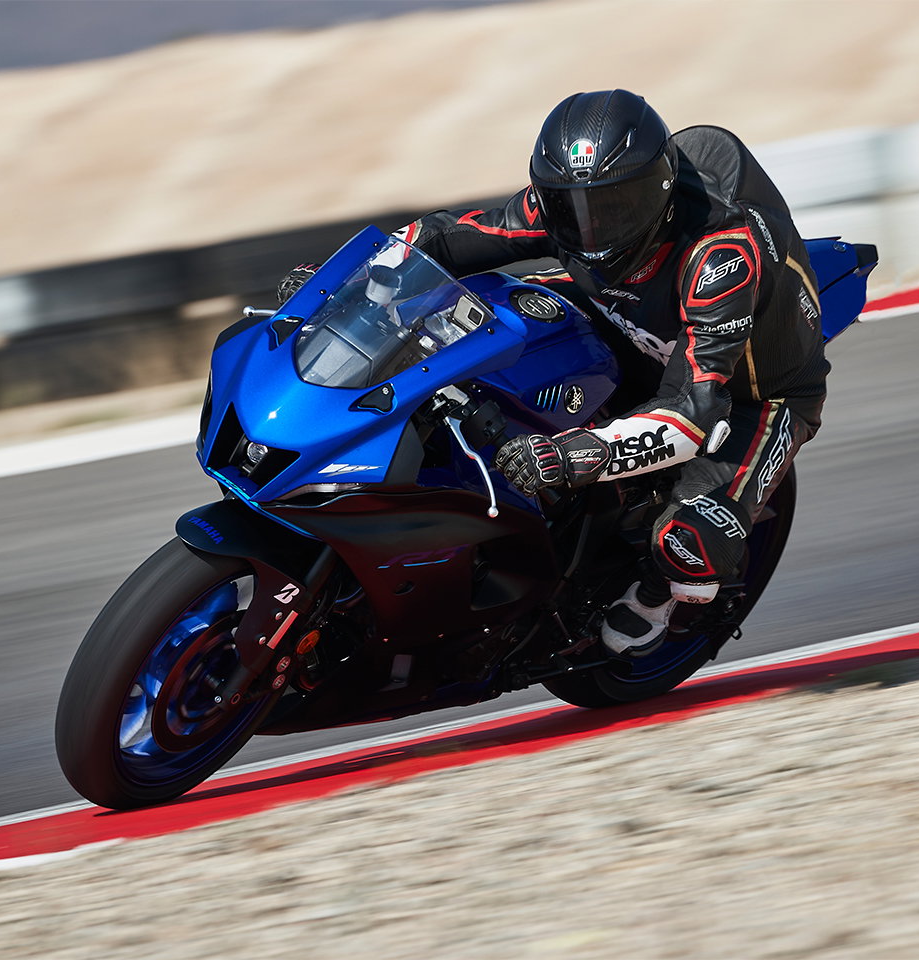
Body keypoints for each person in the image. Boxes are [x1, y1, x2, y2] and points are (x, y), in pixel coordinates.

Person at [297, 89, 829, 657]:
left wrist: (575, 455)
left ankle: (658, 598)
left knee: (689, 540)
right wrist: (341, 291)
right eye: (571, 207)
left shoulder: (721, 257)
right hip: (622, 320)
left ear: (660, 193)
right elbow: (445, 238)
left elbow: (691, 415)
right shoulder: (559, 208)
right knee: (459, 323)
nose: (591, 226)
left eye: (614, 208)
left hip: (752, 393)